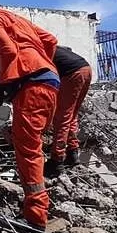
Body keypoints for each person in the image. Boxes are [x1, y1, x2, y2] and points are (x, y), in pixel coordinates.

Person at [0, 0, 59, 232]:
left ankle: (35, 220)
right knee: (31, 144)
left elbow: (7, 51)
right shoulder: (17, 19)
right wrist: (38, 62)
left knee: (27, 149)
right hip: (49, 81)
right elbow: (50, 40)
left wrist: (9, 82)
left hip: (32, 85)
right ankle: (36, 208)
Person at [44, 46, 92, 177]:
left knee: (61, 118)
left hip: (72, 73)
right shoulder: (50, 48)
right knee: (72, 115)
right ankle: (73, 153)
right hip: (85, 69)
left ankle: (56, 161)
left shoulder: (33, 51)